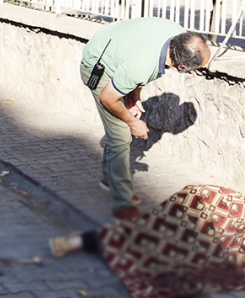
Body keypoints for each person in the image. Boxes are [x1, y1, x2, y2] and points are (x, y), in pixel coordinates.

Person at [49, 184, 245, 297]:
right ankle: (79, 244)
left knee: (142, 235)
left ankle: (78, 243)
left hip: (200, 206)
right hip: (199, 205)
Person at [80, 17, 211, 221]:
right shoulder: (141, 65)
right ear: (182, 67)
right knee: (121, 135)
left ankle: (110, 179)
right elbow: (108, 97)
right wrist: (133, 122)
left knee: (119, 130)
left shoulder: (177, 37)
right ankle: (122, 203)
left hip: (116, 51)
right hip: (98, 65)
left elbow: (137, 59)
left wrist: (134, 96)